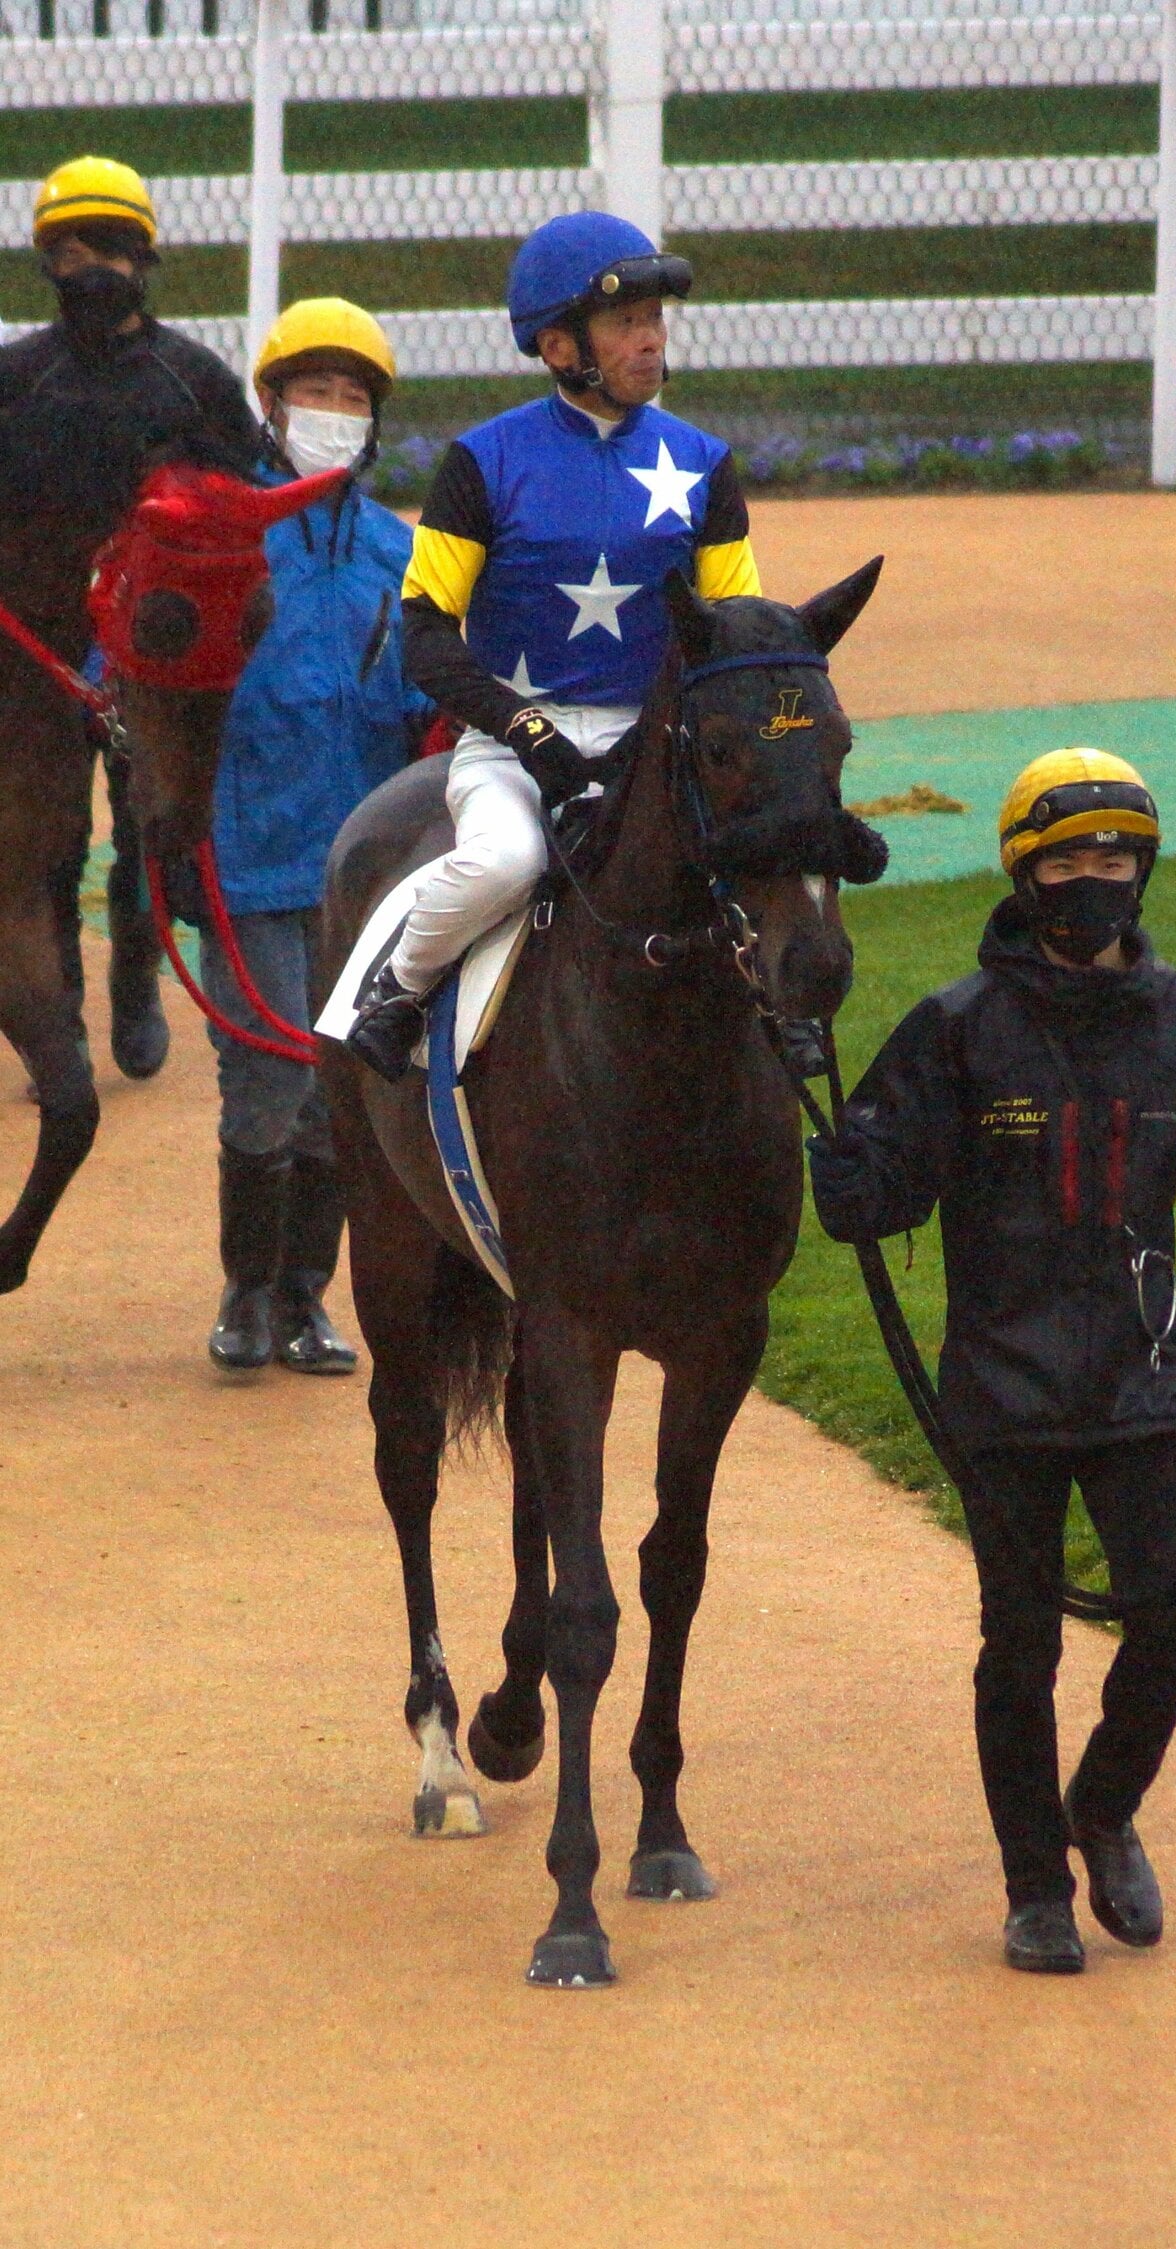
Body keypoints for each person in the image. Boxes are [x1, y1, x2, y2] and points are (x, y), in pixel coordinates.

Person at [807, 750, 1176, 1975]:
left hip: (1142, 1385)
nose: (1093, 877)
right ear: (1023, 871)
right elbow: (883, 1196)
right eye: (1068, 858)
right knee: (1020, 1643)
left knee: (1173, 1610)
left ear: (1142, 870)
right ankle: (1034, 1884)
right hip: (1003, 1393)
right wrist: (854, 1184)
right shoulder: (952, 1030)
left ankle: (1103, 1805)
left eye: (1115, 856)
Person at [346, 209, 760, 1082]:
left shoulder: (704, 464)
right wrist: (524, 728)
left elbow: (739, 633)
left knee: (761, 868)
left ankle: (784, 1020)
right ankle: (399, 988)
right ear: (560, 344)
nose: (649, 342)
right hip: (509, 745)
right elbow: (423, 633)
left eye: (654, 320)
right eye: (625, 323)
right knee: (507, 859)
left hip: (660, 745)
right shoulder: (483, 462)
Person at [200, 298, 433, 1375]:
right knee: (265, 1086)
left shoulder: (405, 552)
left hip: (369, 875)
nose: (332, 414)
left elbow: (433, 697)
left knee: (338, 1097)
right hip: (248, 857)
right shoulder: (220, 535)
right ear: (270, 401)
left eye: (353, 398)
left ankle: (305, 1297)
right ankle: (246, 1288)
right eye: (314, 393)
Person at [0, 156, 262, 1082]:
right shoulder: (16, 379)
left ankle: (139, 972)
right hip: (35, 652)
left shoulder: (193, 381)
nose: (92, 267)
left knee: (154, 814)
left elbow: (245, 501)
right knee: (50, 833)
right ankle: (57, 1012)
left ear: (144, 258)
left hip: (154, 646)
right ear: (44, 262)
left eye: (110, 246)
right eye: (70, 250)